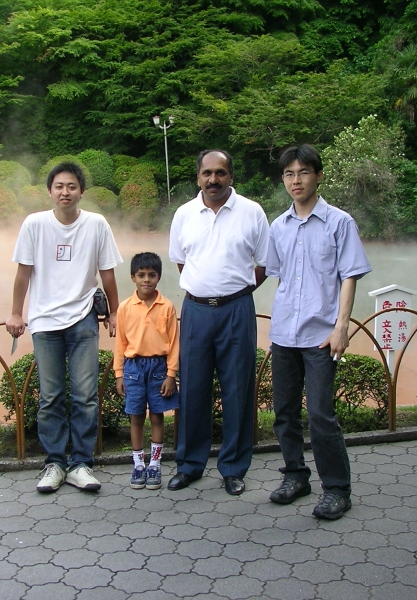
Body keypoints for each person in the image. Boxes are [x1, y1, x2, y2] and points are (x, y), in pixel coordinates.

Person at [266, 143, 371, 519]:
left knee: (321, 415)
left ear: (318, 175)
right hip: (284, 334)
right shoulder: (278, 226)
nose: (296, 181)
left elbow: (349, 276)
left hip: (322, 335)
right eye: (289, 174)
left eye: (303, 172)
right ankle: (295, 476)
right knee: (284, 413)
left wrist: (342, 326)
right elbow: (279, 278)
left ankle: (337, 489)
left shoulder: (339, 222)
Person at [6, 161, 122, 493]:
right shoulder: (35, 224)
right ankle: (55, 463)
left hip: (83, 318)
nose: (65, 192)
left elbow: (108, 273)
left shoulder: (96, 224)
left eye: (72, 186)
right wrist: (16, 313)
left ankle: (81, 463)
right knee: (51, 396)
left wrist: (115, 312)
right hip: (44, 321)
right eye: (59, 186)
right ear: (49, 191)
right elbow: (23, 273)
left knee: (85, 396)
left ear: (81, 191)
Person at [167, 149, 269, 496]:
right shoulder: (184, 214)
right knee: (192, 388)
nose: (213, 179)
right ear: (198, 177)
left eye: (220, 173)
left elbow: (264, 264)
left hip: (237, 310)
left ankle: (234, 468)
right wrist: (206, 289)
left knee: (237, 389)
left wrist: (234, 292)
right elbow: (182, 262)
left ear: (231, 176)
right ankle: (189, 465)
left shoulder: (252, 212)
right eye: (207, 173)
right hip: (196, 311)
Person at [113, 252, 180, 491]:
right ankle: (138, 464)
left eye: (151, 275)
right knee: (136, 416)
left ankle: (155, 464)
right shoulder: (125, 307)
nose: (146, 280)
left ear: (159, 277)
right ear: (133, 277)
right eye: (141, 275)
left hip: (159, 368)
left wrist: (171, 374)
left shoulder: (167, 306)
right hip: (133, 368)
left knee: (157, 415)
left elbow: (174, 343)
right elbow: (120, 343)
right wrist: (119, 374)